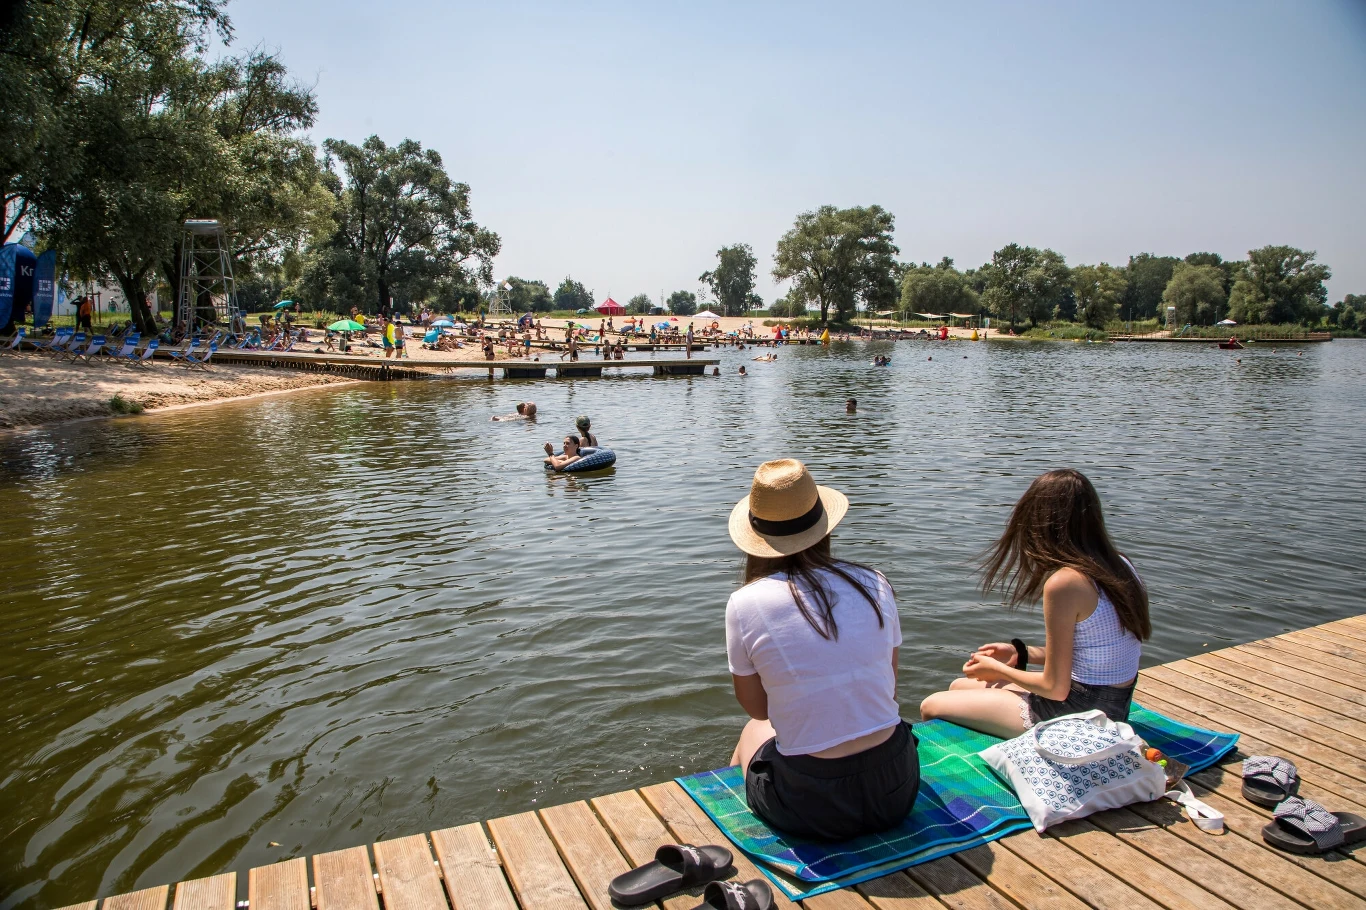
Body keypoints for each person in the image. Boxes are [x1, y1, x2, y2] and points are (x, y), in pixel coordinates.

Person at [724, 459, 917, 841]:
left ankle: (731, 825)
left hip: (811, 807)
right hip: (896, 787)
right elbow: (890, 687)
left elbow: (759, 710)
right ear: (823, 525)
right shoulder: (874, 582)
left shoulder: (745, 603)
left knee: (753, 730)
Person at [919, 469, 1150, 738]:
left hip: (1080, 715)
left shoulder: (1066, 583)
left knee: (932, 705)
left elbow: (1055, 687)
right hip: (1114, 705)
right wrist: (1021, 654)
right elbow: (1093, 650)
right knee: (958, 688)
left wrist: (998, 670)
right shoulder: (1120, 563)